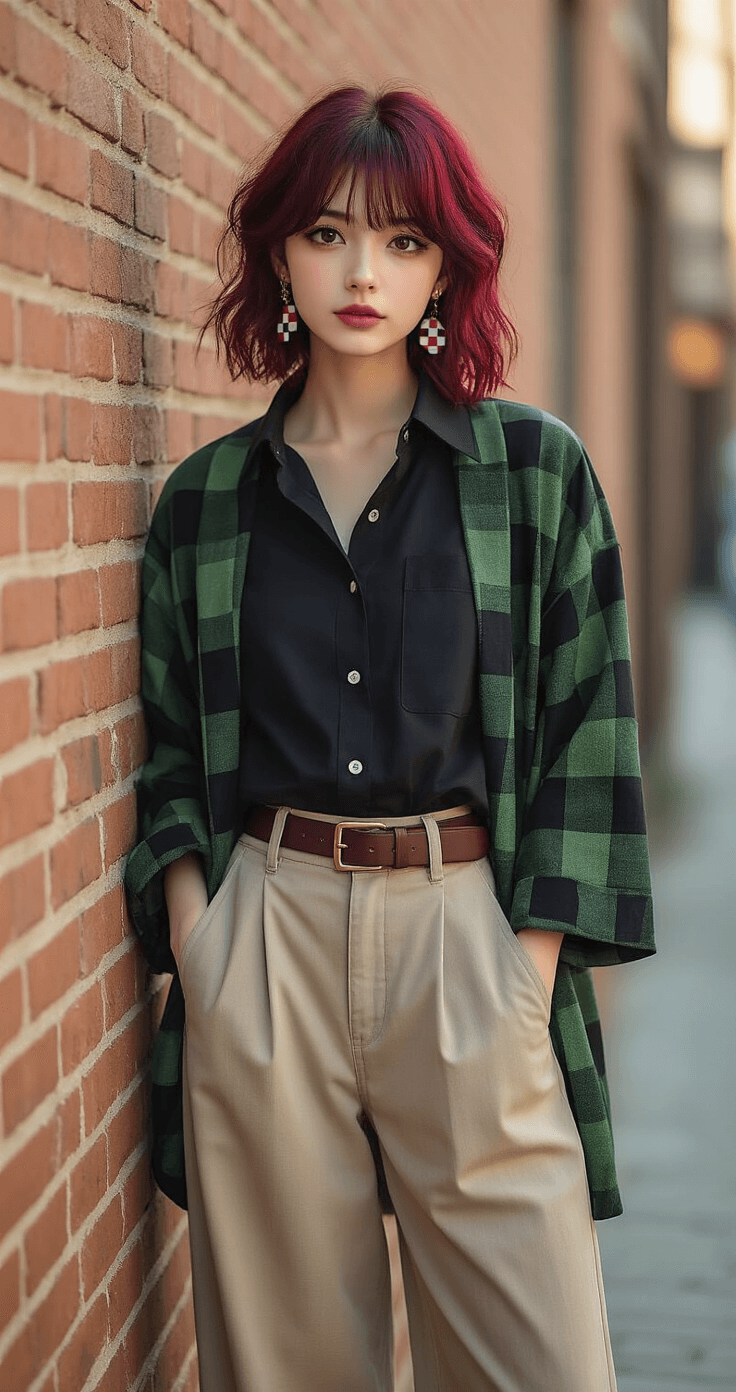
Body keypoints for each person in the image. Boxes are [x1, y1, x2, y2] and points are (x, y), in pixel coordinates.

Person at [125, 85, 655, 1392]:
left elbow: (591, 731)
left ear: (449, 266)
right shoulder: (208, 507)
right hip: (270, 942)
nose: (365, 272)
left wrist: (522, 978)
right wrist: (206, 950)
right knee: (291, 1364)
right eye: (329, 232)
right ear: (280, 257)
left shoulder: (534, 474)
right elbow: (177, 757)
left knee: (544, 1362)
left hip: (466, 930)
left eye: (406, 239)